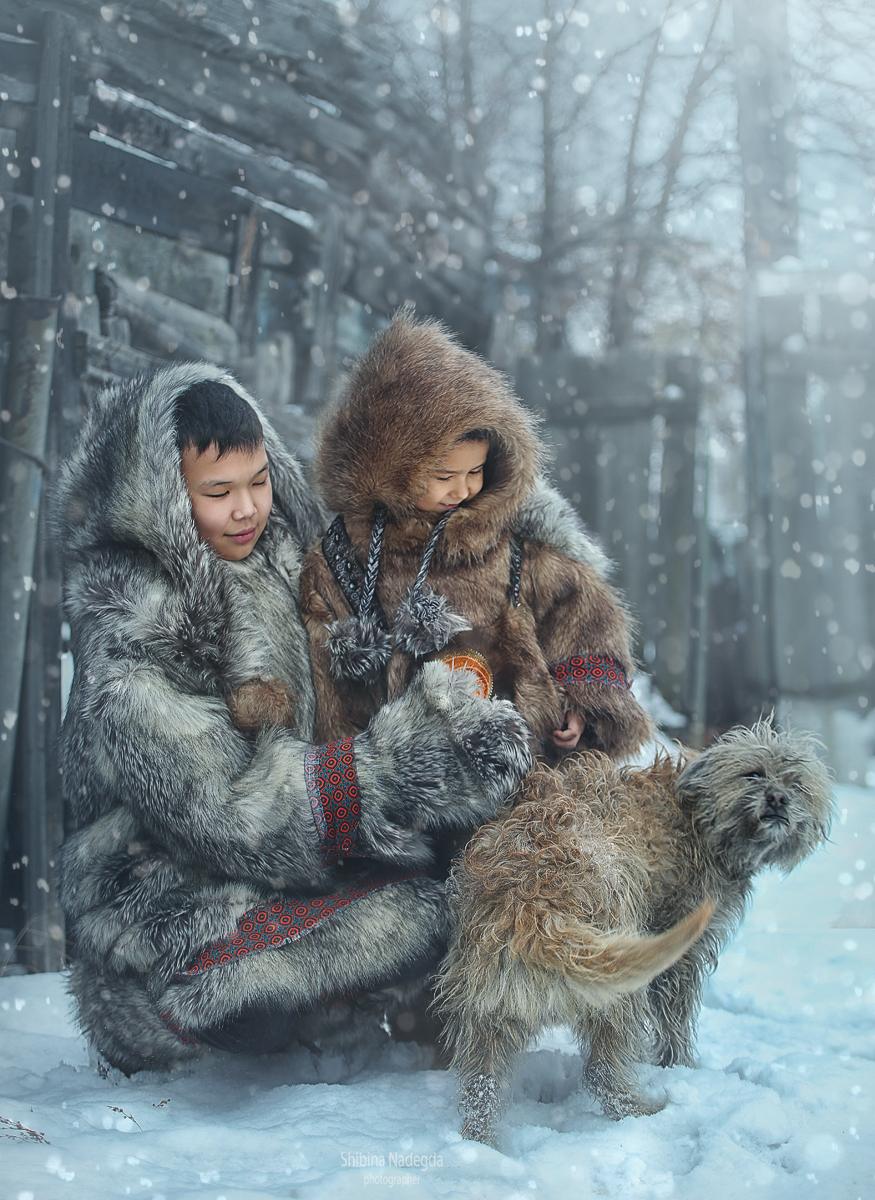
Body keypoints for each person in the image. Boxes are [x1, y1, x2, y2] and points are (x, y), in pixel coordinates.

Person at [55, 361, 535, 1074]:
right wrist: (391, 769)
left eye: (257, 480)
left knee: (461, 892)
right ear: (157, 497)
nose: (247, 508)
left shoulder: (288, 556)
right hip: (166, 887)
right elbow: (226, 810)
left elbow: (417, 533)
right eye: (217, 493)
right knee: (250, 995)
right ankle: (180, 1000)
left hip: (286, 858)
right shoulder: (133, 628)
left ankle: (341, 989)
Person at [299, 310, 653, 761]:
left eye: (476, 471)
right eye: (444, 474)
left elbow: (583, 613)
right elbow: (334, 691)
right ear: (387, 468)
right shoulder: (345, 560)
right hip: (408, 783)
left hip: (518, 782)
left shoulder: (510, 546)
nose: (464, 489)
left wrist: (581, 703)